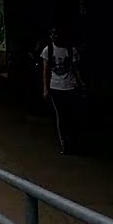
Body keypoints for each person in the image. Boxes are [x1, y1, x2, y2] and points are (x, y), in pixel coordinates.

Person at [41, 25, 87, 154]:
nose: (54, 37)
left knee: (72, 116)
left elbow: (76, 69)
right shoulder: (48, 50)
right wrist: (45, 88)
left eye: (56, 34)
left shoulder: (71, 50)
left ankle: (74, 142)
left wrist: (82, 83)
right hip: (55, 87)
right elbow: (45, 71)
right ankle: (65, 144)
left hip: (70, 87)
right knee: (61, 116)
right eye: (52, 34)